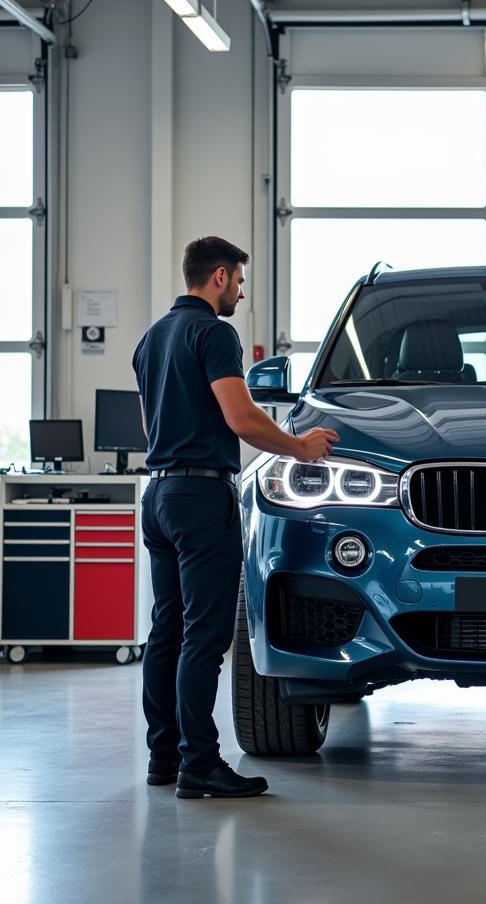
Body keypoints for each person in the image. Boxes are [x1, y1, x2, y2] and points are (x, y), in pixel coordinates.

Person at [133, 236, 337, 798]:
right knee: (206, 634)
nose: (241, 294)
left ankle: (163, 759)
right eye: (240, 282)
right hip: (201, 499)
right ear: (218, 276)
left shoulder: (152, 338)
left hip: (159, 495)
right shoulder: (214, 333)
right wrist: (300, 446)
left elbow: (152, 422)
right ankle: (199, 763)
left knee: (167, 630)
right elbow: (241, 417)